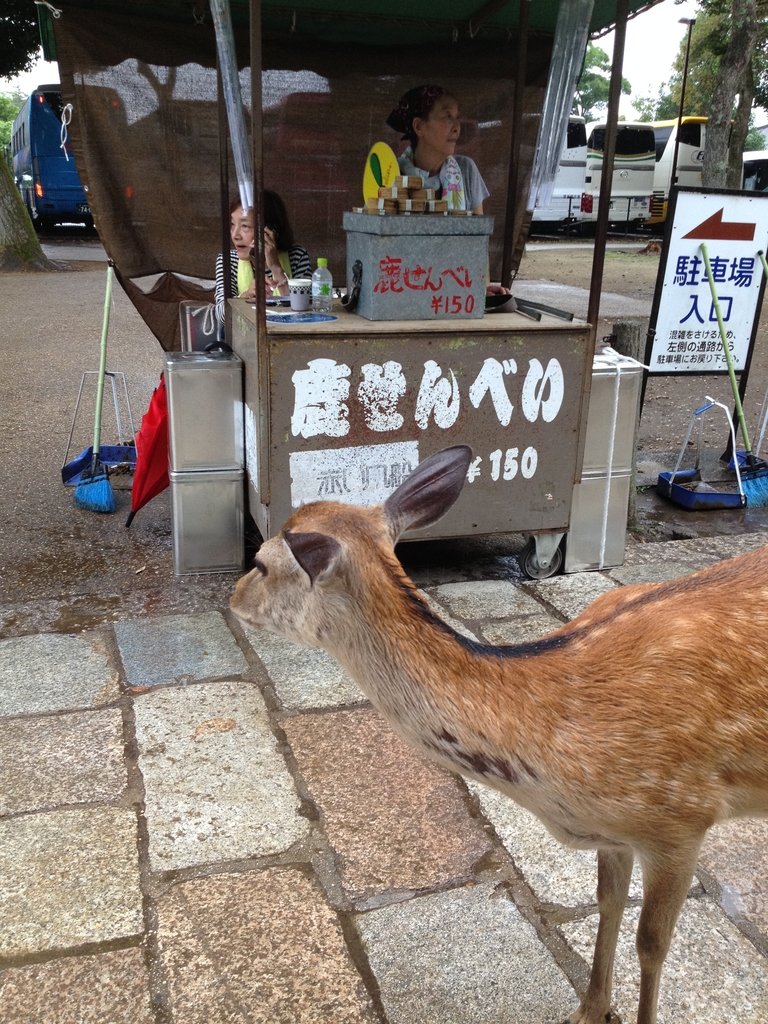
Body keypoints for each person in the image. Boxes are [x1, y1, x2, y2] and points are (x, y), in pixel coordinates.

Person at [386, 84, 489, 214]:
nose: (457, 127)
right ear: (418, 127)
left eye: (457, 117)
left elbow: (478, 232)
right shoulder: (390, 173)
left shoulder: (466, 169)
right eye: (447, 116)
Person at [214, 191, 311, 323]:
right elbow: (221, 315)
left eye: (245, 226)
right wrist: (247, 295)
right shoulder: (227, 260)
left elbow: (307, 310)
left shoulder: (297, 256)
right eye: (232, 225)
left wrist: (276, 268)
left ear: (269, 231)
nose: (235, 235)